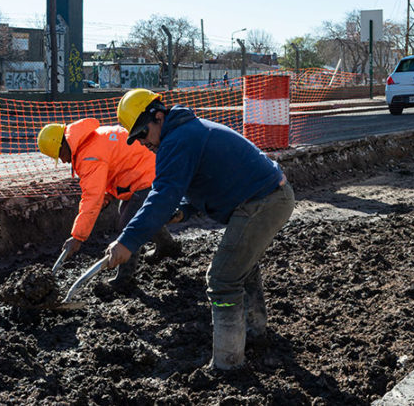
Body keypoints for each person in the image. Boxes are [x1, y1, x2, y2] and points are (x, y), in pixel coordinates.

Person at [103, 88, 294, 370]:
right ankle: (254, 333)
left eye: (142, 133)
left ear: (157, 117)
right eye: (136, 139)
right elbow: (205, 180)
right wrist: (185, 211)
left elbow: (162, 195)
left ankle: (228, 363)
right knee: (241, 267)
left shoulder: (177, 140)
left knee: (222, 280)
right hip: (268, 196)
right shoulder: (185, 132)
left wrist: (127, 241)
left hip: (263, 201)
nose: (142, 143)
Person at [37, 118, 181, 289]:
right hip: (145, 171)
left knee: (128, 223)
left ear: (63, 145)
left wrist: (77, 237)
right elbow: (117, 163)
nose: (63, 161)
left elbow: (91, 198)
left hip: (148, 175)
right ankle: (167, 246)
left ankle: (124, 279)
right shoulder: (89, 140)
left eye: (60, 155)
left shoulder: (88, 155)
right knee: (139, 213)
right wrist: (108, 194)